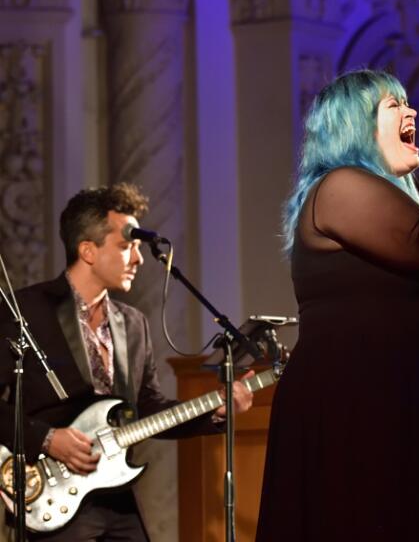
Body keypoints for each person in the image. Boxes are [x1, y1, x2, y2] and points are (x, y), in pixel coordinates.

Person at [255, 69, 419, 542]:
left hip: (414, 405)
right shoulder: (337, 187)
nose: (411, 111)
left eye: (408, 102)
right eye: (393, 105)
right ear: (352, 126)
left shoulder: (394, 207)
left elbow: (392, 304)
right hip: (359, 411)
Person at [0, 183, 254, 541]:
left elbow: (148, 408)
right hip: (49, 498)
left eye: (136, 247)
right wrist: (46, 438)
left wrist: (214, 412)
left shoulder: (133, 323)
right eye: (126, 247)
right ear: (87, 250)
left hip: (116, 497)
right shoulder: (26, 310)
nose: (137, 258)